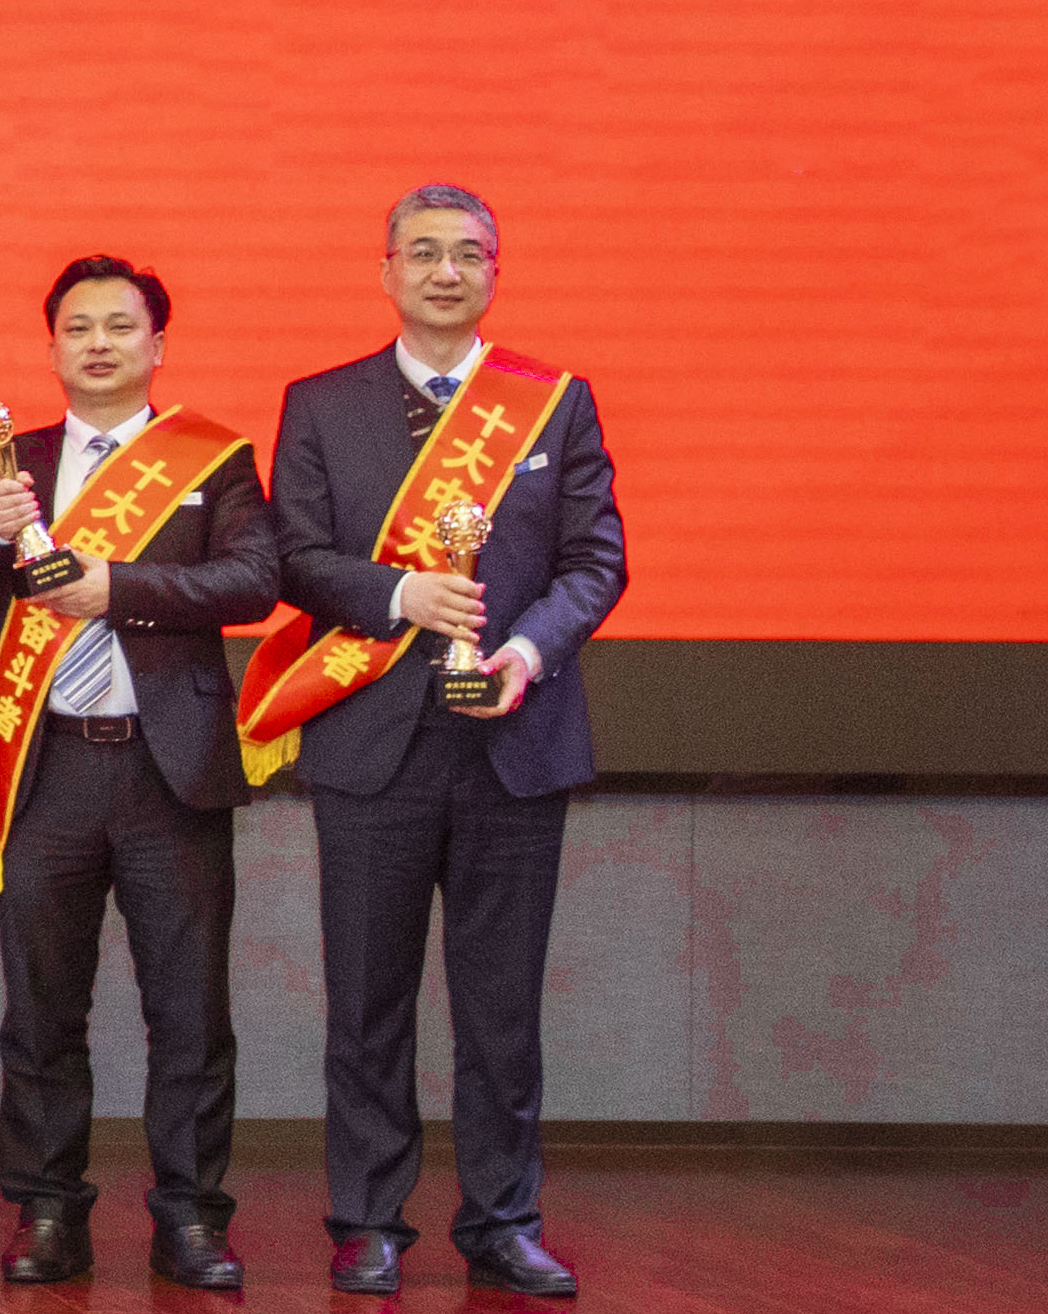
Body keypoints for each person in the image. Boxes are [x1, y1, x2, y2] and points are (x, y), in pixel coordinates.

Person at [254, 186, 626, 1300]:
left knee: (502, 1008)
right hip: (373, 747)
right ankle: (369, 1219)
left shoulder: (553, 403)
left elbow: (596, 560)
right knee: (368, 1000)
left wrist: (527, 651)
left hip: (516, 742)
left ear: (495, 271)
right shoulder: (321, 403)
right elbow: (294, 558)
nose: (446, 271)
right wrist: (399, 593)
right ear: (387, 272)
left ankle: (504, 1219)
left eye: (469, 254)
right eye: (423, 253)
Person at [0, 255, 278, 1292]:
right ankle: (46, 1210)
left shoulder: (214, 459)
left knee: (190, 1010)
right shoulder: (10, 458)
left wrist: (120, 585)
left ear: (158, 343)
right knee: (41, 1008)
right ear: (54, 346)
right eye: (79, 327)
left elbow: (253, 580)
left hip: (170, 771)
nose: (100, 342)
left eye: (121, 325)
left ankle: (191, 1215)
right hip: (46, 767)